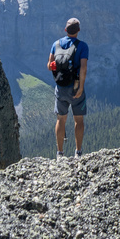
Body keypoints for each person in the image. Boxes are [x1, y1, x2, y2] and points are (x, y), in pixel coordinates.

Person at [48, 17, 88, 158]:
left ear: (65, 30)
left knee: (60, 119)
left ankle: (60, 153)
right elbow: (83, 68)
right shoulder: (82, 46)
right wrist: (81, 87)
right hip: (75, 88)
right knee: (78, 120)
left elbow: (49, 65)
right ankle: (78, 152)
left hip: (60, 88)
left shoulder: (56, 44)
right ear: (78, 30)